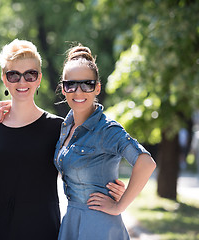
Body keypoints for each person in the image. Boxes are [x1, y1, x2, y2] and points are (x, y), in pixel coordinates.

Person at [0, 39, 126, 240]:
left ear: (39, 78)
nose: (22, 82)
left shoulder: (58, 128)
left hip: (43, 230)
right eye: (14, 75)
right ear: (5, 79)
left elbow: (86, 166)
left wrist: (112, 189)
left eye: (30, 74)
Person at [54, 43, 157, 239]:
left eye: (87, 84)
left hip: (99, 226)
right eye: (71, 84)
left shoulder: (107, 129)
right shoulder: (65, 127)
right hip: (72, 221)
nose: (78, 91)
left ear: (97, 88)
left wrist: (120, 205)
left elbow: (146, 163)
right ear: (63, 88)